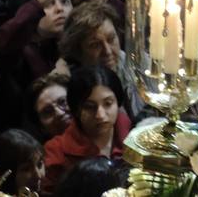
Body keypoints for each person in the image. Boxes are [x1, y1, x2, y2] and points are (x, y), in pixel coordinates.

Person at [40, 65, 131, 194]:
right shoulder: (56, 153)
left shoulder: (135, 138)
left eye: (108, 103)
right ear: (76, 110)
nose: (100, 115)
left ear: (118, 103)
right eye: (89, 107)